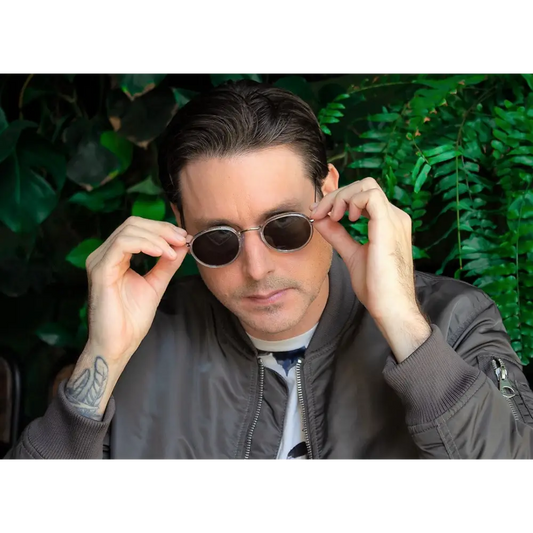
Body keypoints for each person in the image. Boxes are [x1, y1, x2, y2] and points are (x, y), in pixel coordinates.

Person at [4, 80, 533, 463]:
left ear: (328, 192)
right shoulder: (142, 344)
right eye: (219, 239)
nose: (256, 269)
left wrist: (405, 328)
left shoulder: (455, 320)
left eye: (284, 227)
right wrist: (102, 356)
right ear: (180, 225)